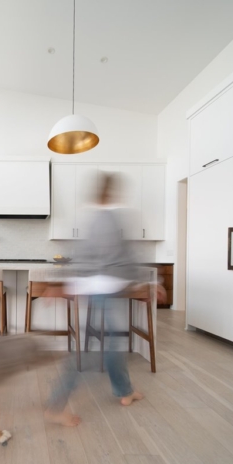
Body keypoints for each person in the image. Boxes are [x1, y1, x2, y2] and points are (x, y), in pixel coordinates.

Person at [44, 171, 165, 427]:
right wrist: (148, 282)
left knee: (110, 344)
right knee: (96, 351)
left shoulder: (96, 218)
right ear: (111, 192)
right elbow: (121, 256)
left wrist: (67, 284)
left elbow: (86, 256)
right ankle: (57, 405)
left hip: (98, 287)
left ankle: (125, 391)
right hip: (107, 287)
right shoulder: (109, 219)